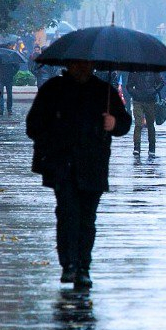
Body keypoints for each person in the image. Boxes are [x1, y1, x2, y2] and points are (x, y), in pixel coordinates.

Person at [26, 60, 131, 289]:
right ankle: (69, 265)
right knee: (66, 215)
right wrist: (53, 134)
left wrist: (114, 123)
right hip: (61, 165)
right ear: (69, 65)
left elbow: (124, 123)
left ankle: (83, 266)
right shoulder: (53, 89)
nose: (81, 68)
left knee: (87, 219)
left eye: (86, 65)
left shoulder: (104, 91)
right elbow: (33, 125)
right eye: (77, 64)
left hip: (93, 165)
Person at [126, 70, 165, 157]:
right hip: (138, 101)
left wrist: (153, 91)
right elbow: (128, 86)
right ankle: (137, 147)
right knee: (138, 124)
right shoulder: (134, 71)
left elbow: (161, 82)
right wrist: (135, 93)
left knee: (150, 125)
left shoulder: (154, 70)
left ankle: (152, 147)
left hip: (150, 101)